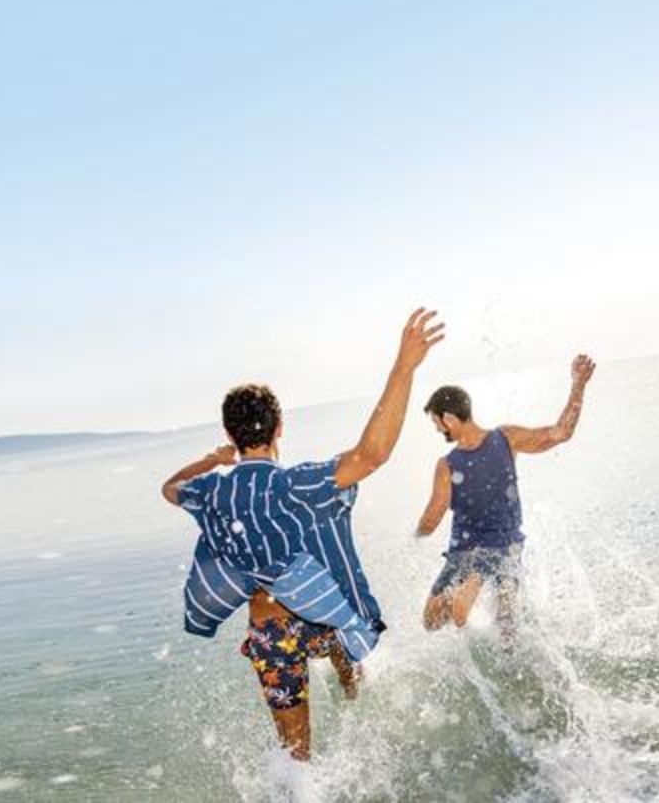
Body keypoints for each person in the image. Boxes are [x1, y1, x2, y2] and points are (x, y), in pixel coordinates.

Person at [161, 308, 445, 760]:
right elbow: (371, 455)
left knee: (296, 755)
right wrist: (403, 367)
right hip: (320, 622)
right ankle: (354, 700)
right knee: (346, 649)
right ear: (280, 428)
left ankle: (302, 777)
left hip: (271, 632)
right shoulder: (298, 484)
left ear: (230, 435)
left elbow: (170, 488)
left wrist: (211, 462)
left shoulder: (213, 492)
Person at [416, 354, 596, 637]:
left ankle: (464, 590)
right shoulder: (506, 438)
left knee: (431, 620)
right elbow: (560, 433)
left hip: (466, 549)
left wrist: (416, 533)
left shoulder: (447, 465)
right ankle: (473, 588)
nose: (438, 429)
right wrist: (578, 385)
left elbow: (432, 517)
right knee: (508, 630)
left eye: (437, 422)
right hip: (506, 547)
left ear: (449, 418)